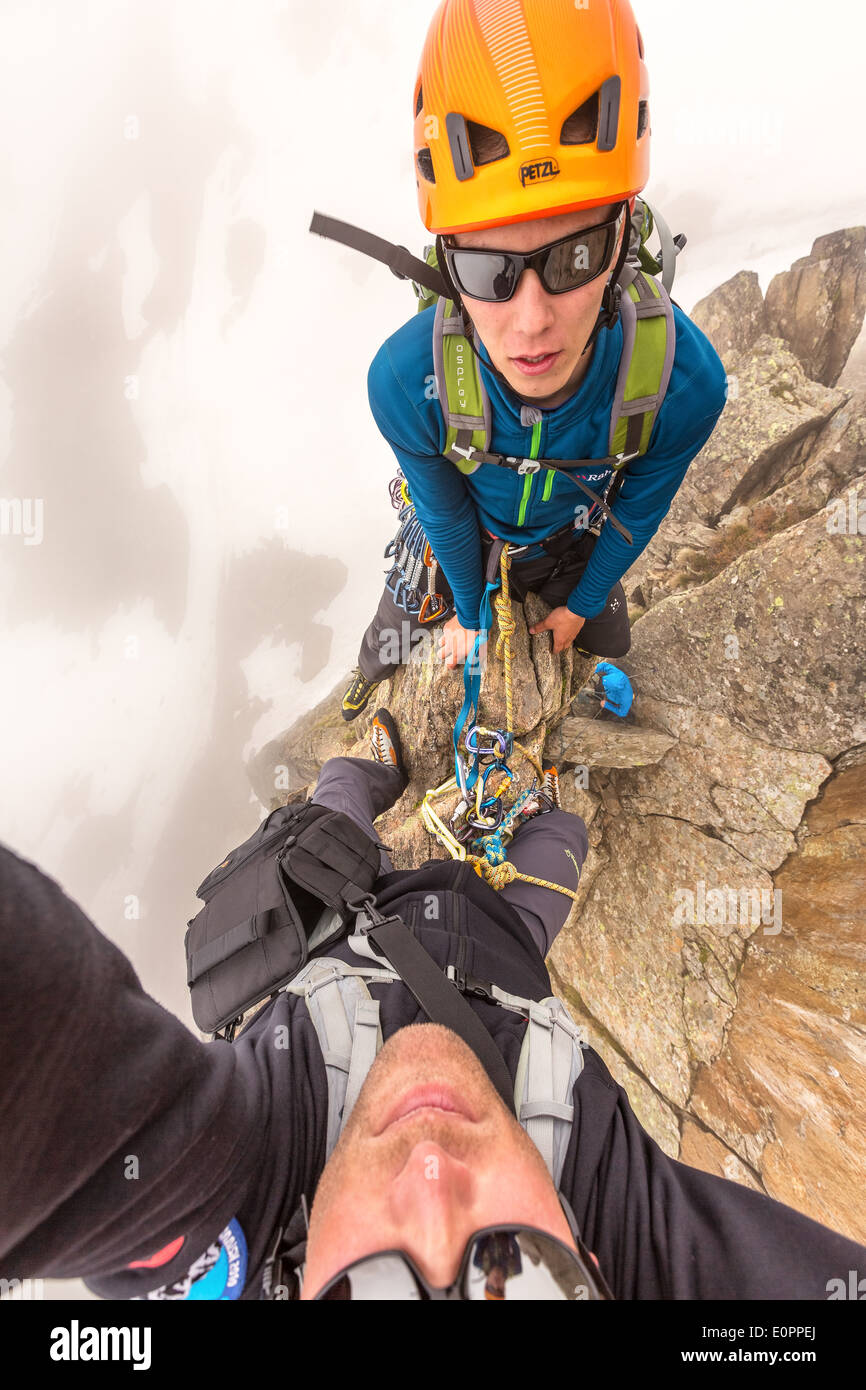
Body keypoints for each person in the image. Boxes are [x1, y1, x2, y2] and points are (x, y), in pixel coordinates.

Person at [2, 710, 864, 1301]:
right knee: (560, 836)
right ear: (595, 1273)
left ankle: (367, 765)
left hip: (344, 923)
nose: (431, 1176)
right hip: (496, 947)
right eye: (509, 1272)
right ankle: (512, 804)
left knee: (336, 809)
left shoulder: (224, 1212)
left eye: (371, 1293)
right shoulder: (629, 1223)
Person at [340, 0, 728, 721]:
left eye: (574, 257)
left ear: (623, 242)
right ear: (445, 265)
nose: (531, 322)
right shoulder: (404, 385)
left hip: (568, 536)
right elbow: (447, 518)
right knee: (389, 641)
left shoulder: (681, 385)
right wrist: (469, 609)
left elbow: (637, 510)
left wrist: (581, 610)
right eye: (489, 270)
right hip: (478, 534)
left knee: (609, 636)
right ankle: (369, 685)